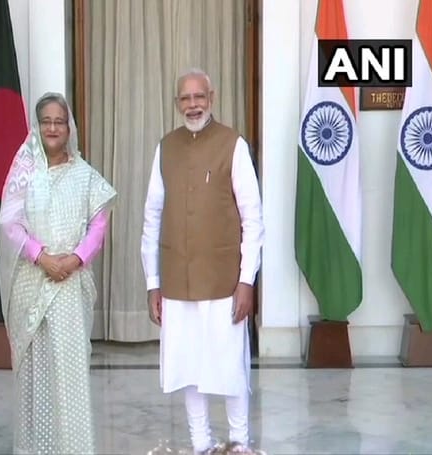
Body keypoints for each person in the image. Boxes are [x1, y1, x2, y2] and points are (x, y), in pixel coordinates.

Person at [141, 69, 265, 455]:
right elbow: (152, 217)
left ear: (212, 98)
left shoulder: (233, 144)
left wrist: (247, 280)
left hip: (224, 281)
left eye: (199, 96)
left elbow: (253, 219)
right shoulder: (166, 147)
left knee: (230, 369)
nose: (192, 104)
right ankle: (201, 445)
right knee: (188, 366)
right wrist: (153, 282)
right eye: (185, 98)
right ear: (177, 103)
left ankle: (239, 444)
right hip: (177, 281)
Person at [0, 92, 117, 454]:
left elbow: (99, 226)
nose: (53, 128)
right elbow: (9, 223)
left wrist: (74, 260)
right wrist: (41, 257)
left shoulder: (85, 176)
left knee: (69, 371)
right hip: (32, 281)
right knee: (34, 372)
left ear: (69, 128)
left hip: (70, 284)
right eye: (46, 121)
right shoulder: (24, 171)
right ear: (37, 127)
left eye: (59, 121)